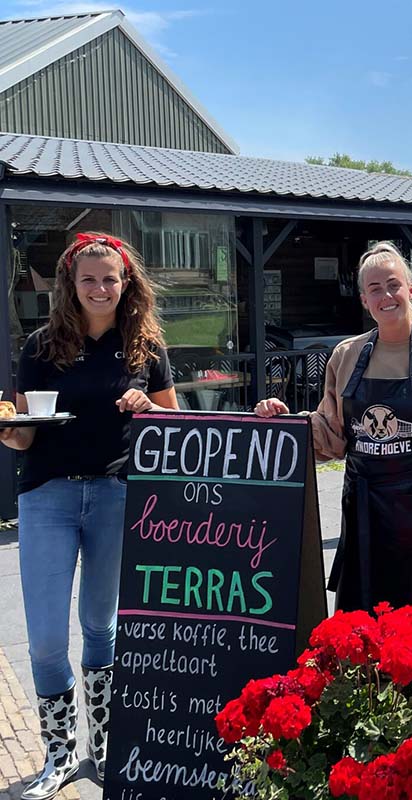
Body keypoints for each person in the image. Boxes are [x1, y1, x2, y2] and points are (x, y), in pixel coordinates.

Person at [1, 232, 177, 799]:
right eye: (88, 279)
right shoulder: (38, 348)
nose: (100, 288)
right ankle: (59, 757)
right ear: (70, 286)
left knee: (100, 627)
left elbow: (176, 427)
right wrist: (8, 431)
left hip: (117, 494)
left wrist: (149, 406)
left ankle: (101, 750)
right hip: (47, 496)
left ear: (127, 284)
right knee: (47, 639)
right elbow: (27, 436)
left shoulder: (146, 347)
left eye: (110, 278)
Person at [256, 242, 412, 626]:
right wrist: (285, 420)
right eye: (375, 288)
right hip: (362, 513)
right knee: (361, 630)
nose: (386, 296)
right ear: (364, 299)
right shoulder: (345, 356)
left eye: (394, 285)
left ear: (411, 290)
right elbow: (331, 434)